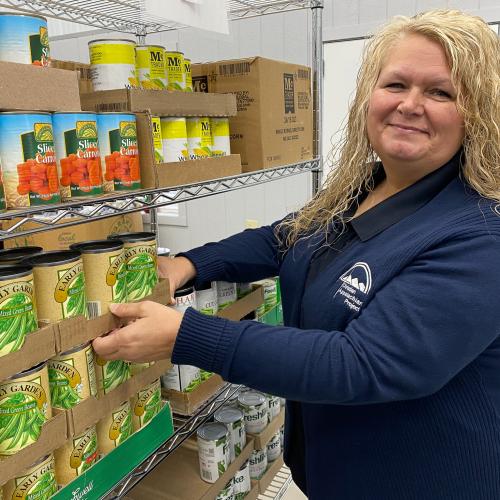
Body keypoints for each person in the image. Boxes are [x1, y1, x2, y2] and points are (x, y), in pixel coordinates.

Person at [93, 9, 500, 499]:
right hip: (334, 470)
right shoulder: (362, 190)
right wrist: (190, 264)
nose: (410, 105)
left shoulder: (480, 232)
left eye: (441, 92)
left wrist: (187, 336)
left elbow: (362, 363)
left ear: (478, 113)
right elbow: (281, 238)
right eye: (395, 84)